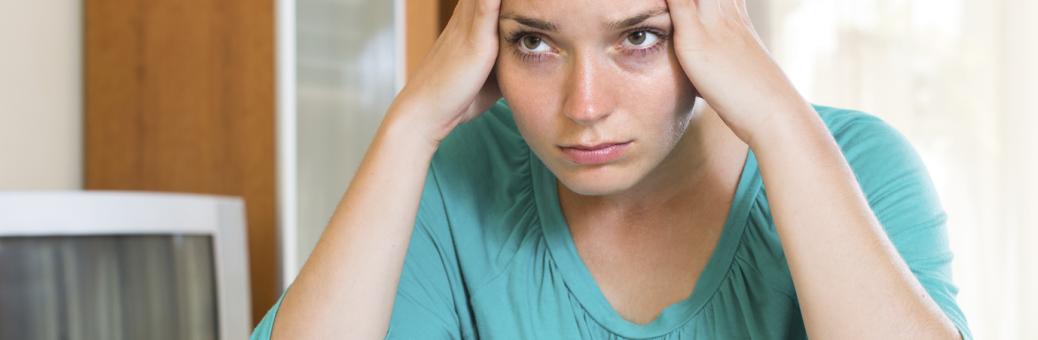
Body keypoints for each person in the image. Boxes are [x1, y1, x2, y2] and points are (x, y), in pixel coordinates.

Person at [253, 0, 972, 338]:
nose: (585, 105)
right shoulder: (451, 181)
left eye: (637, 37)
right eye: (534, 42)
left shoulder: (859, 168)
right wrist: (412, 124)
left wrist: (781, 125)